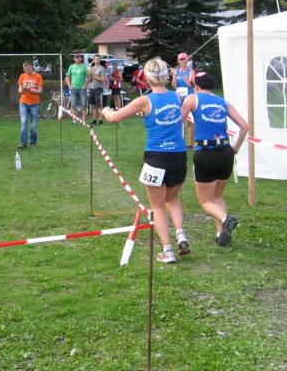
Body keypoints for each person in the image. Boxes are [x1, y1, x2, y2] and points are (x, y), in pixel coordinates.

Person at [101, 57, 189, 263]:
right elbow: (174, 117)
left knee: (157, 206)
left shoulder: (144, 100)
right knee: (173, 199)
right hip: (178, 154)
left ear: (147, 78)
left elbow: (114, 118)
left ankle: (167, 250)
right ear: (166, 76)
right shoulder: (176, 96)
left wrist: (105, 111)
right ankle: (181, 235)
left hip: (156, 156)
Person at [180, 71, 248, 247]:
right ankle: (221, 235)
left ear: (196, 85)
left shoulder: (192, 99)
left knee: (205, 201)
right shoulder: (223, 102)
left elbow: (178, 120)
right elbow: (244, 126)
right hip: (225, 153)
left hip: (205, 152)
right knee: (217, 196)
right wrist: (236, 148)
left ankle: (226, 219)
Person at [18, 61, 43, 149]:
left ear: (32, 67)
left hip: (34, 104)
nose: (26, 71)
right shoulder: (22, 76)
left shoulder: (38, 76)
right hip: (23, 103)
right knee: (24, 123)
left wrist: (31, 90)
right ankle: (23, 143)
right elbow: (19, 89)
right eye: (25, 69)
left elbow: (40, 91)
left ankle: (33, 143)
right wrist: (22, 90)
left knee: (33, 125)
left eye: (28, 69)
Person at [172, 52, 196, 146]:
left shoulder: (191, 71)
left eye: (184, 59)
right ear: (178, 61)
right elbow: (174, 86)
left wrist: (182, 75)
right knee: (179, 121)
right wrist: (174, 76)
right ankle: (180, 142)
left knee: (189, 121)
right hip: (179, 98)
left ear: (187, 60)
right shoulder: (176, 72)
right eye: (181, 59)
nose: (182, 61)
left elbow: (190, 84)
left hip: (189, 98)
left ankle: (190, 143)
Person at [65, 53, 88, 123]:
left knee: (83, 105)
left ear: (81, 59)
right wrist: (69, 85)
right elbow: (67, 77)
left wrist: (85, 85)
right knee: (73, 105)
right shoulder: (71, 67)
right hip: (73, 88)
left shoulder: (85, 67)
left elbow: (88, 77)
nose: (77, 58)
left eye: (79, 57)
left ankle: (83, 120)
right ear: (74, 59)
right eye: (76, 57)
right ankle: (74, 120)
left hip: (82, 88)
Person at [87, 55, 108, 125]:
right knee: (93, 105)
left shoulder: (102, 68)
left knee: (100, 105)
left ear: (100, 60)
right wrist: (90, 75)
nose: (97, 60)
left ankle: (101, 120)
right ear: (94, 60)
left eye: (98, 59)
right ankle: (94, 120)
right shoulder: (91, 68)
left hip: (98, 88)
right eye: (96, 59)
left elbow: (103, 80)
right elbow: (90, 80)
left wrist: (94, 75)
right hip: (91, 88)